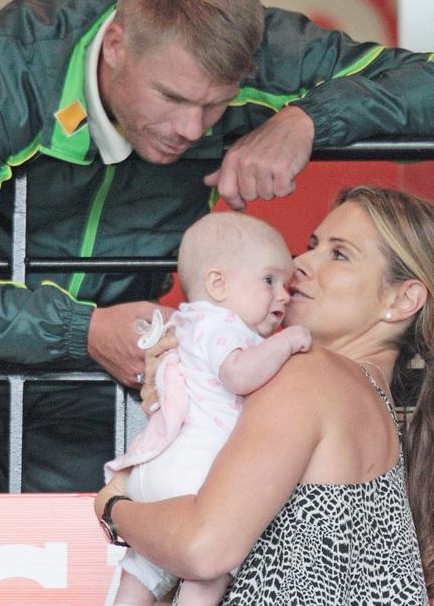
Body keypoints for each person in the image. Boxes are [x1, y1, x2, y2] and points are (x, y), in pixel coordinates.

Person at [0, 0, 434, 493]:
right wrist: (80, 330)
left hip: (104, 373)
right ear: (119, 45)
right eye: (172, 97)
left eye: (217, 105)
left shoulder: (262, 53)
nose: (191, 128)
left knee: (99, 556)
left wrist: (309, 119)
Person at [96, 186, 434, 605]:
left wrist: (114, 508)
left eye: (339, 254)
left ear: (403, 298)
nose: (300, 263)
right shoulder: (364, 397)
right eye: (312, 246)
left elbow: (204, 548)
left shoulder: (308, 373)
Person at [104, 212, 311, 605]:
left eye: (285, 285)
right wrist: (287, 343)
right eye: (269, 280)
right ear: (217, 283)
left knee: (142, 573)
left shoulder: (189, 322)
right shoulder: (222, 327)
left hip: (157, 475)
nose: (283, 295)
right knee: (212, 566)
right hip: (197, 476)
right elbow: (237, 375)